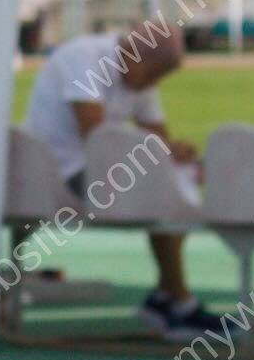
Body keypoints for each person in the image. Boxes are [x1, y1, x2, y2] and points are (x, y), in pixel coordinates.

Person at [23, 22, 221, 342]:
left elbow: (154, 136)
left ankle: (169, 294)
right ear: (135, 57)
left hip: (103, 167)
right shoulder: (84, 59)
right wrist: (165, 152)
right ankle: (177, 300)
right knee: (161, 188)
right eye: (154, 76)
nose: (153, 85)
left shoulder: (139, 76)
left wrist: (178, 157)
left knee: (175, 180)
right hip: (62, 171)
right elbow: (97, 136)